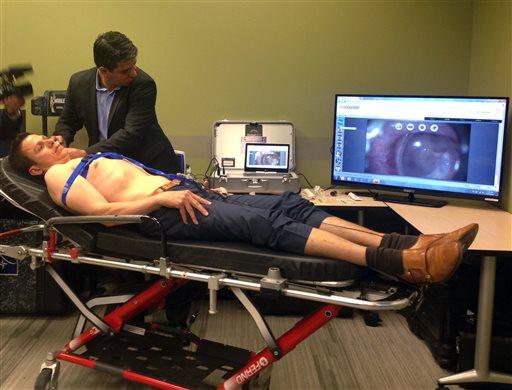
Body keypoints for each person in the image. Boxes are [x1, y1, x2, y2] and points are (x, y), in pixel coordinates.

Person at [9, 132, 479, 285]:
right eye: (42, 146)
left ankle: (409, 242)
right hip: (159, 217)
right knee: (262, 221)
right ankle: (400, 263)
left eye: (48, 138)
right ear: (36, 170)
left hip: (186, 195)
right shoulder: (57, 177)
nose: (52, 141)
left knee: (289, 201)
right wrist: (162, 196)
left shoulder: (89, 155)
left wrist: (189, 186)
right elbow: (105, 215)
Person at [52, 31, 180, 173]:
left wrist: (85, 154)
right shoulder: (78, 83)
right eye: (125, 70)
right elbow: (68, 122)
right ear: (103, 71)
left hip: (147, 167)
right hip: (106, 167)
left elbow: (131, 134)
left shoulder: (143, 84)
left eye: (134, 65)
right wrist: (61, 139)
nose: (133, 73)